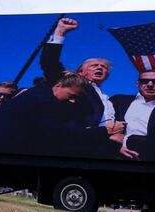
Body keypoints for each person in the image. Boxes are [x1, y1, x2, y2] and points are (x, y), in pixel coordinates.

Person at [40, 17, 125, 157]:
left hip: (104, 149)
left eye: (103, 67)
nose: (100, 68)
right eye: (94, 66)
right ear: (80, 72)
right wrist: (60, 32)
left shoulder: (108, 99)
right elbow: (49, 63)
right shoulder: (74, 85)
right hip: (76, 145)